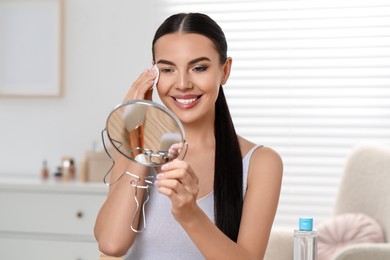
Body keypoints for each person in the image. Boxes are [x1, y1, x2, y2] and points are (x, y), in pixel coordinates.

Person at [94, 12, 283, 259]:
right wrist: (140, 135)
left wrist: (189, 213)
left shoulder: (261, 162)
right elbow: (111, 244)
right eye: (168, 69)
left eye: (199, 67)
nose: (182, 84)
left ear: (225, 71)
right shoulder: (136, 147)